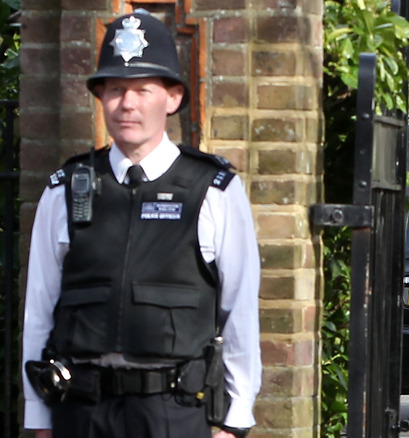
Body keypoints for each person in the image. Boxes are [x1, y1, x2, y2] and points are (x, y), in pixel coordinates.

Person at [21, 11, 261, 438]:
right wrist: (39, 417)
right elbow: (40, 308)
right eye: (114, 89)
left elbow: (239, 309)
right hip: (82, 411)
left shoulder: (213, 190)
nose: (127, 104)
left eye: (141, 90)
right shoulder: (68, 187)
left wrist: (235, 418)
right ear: (101, 98)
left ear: (171, 98)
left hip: (174, 411)